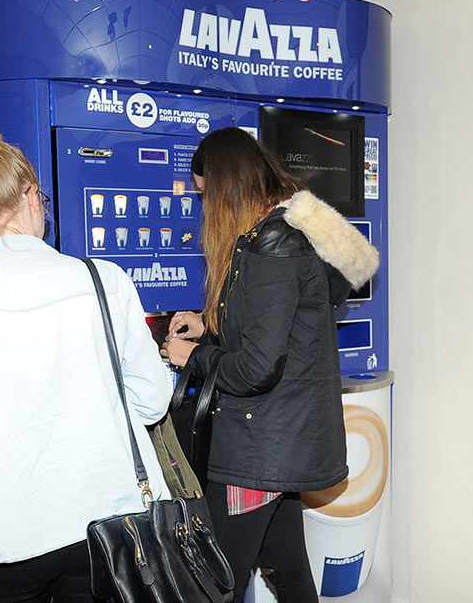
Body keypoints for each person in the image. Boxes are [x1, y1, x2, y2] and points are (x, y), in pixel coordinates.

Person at [0, 113, 173, 603]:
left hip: (5, 535)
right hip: (105, 526)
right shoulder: (103, 280)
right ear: (30, 194)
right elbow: (152, 402)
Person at [161, 127, 379, 603]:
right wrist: (208, 325)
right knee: (291, 572)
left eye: (205, 194)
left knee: (217, 584)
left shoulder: (270, 247)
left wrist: (193, 356)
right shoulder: (277, 236)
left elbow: (257, 368)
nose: (203, 207)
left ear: (227, 188)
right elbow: (269, 325)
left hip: (256, 449)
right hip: (280, 442)